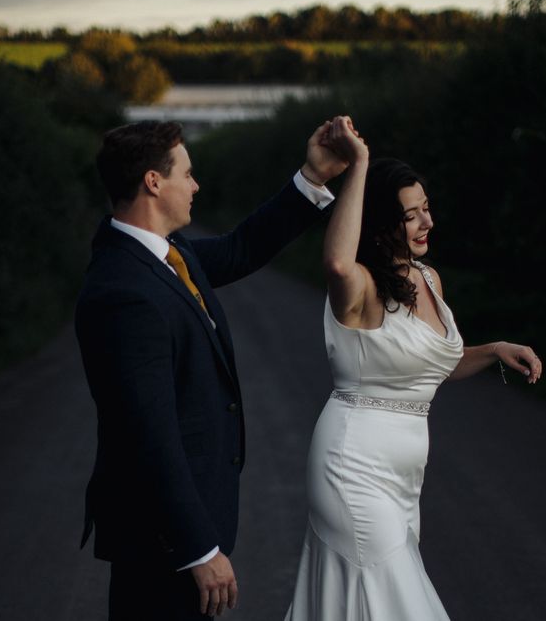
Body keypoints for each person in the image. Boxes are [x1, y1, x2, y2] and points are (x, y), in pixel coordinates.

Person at [75, 119, 347, 620]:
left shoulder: (168, 257)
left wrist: (313, 176)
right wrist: (198, 548)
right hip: (162, 544)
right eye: (187, 173)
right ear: (154, 183)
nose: (196, 185)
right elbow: (146, 435)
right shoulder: (123, 292)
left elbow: (240, 248)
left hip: (175, 537)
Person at [284, 117, 543, 620]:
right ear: (381, 223)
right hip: (351, 468)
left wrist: (492, 350)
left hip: (405, 478)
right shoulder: (358, 288)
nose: (427, 223)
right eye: (411, 215)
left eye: (426, 209)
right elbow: (336, 263)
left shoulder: (428, 278)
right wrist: (357, 165)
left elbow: (427, 369)